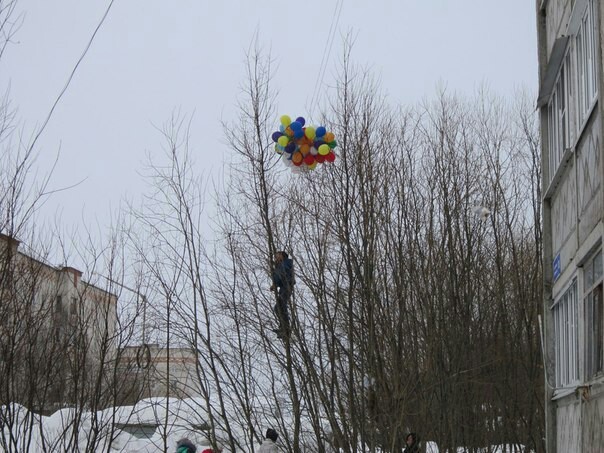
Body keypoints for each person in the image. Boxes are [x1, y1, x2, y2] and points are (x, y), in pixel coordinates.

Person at [270, 251, 295, 337]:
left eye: (277, 256)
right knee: (278, 308)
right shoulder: (280, 266)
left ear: (282, 256)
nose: (275, 258)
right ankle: (283, 327)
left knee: (282, 306)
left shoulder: (286, 263)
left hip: (287, 286)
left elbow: (282, 274)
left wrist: (275, 283)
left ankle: (286, 328)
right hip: (283, 287)